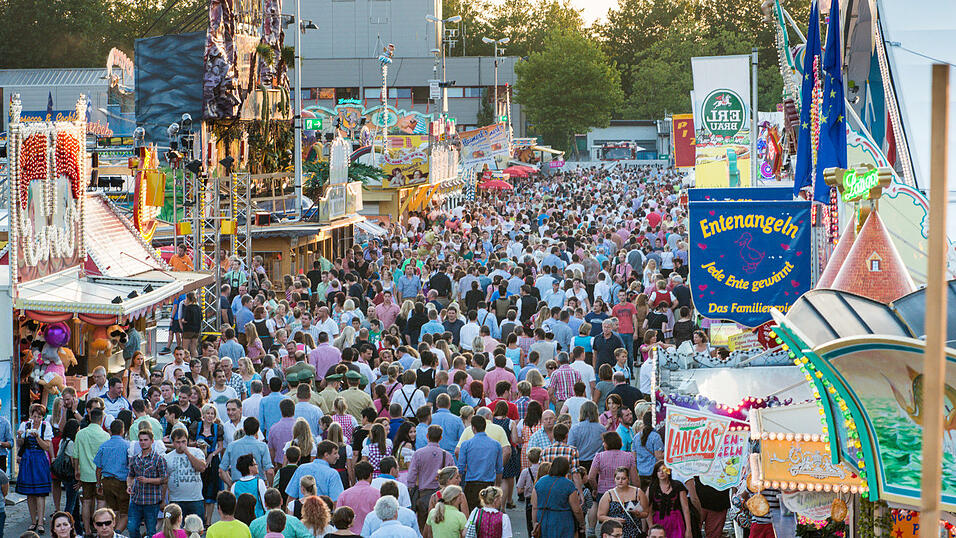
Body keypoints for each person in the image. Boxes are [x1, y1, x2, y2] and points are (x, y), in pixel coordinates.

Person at [127, 429, 169, 538]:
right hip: (136, 500)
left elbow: (164, 479)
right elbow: (130, 476)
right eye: (141, 440)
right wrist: (129, 485)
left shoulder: (159, 459)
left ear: (152, 441)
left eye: (145, 440)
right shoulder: (135, 459)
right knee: (131, 528)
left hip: (152, 501)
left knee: (151, 531)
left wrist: (148, 480)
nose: (143, 442)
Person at [18, 403, 53, 534]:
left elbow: (46, 447)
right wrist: (19, 436)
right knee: (30, 493)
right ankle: (33, 521)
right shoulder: (25, 425)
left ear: (42, 417)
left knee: (40, 492)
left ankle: (40, 523)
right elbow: (20, 444)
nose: (36, 419)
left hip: (39, 459)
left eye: (39, 416)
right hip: (27, 460)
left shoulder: (45, 427)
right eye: (34, 416)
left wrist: (37, 436)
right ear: (30, 416)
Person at [457, 416, 503, 512]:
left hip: (471, 484)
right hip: (488, 484)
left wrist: (458, 484)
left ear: (473, 428)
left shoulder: (466, 444)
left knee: (471, 513)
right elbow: (499, 468)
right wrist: (498, 485)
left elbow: (460, 467)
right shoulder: (496, 444)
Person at [94, 419, 131, 534]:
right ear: (122, 430)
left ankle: (112, 532)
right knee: (125, 513)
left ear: (110, 431)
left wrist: (98, 484)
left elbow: (98, 468)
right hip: (122, 483)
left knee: (114, 511)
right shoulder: (127, 445)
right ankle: (116, 534)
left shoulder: (104, 446)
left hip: (107, 482)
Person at [638, 462, 691, 538]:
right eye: (658, 471)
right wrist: (651, 527)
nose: (661, 473)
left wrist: (688, 529)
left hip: (676, 522)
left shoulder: (678, 486)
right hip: (658, 522)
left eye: (664, 470)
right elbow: (648, 509)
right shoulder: (652, 487)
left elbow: (685, 508)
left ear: (669, 471)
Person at [165, 429, 207, 522]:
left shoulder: (196, 452)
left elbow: (201, 468)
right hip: (176, 499)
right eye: (178, 442)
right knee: (176, 528)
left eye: (183, 441)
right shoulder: (167, 457)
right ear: (173, 443)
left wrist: (187, 453)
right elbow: (165, 480)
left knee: (196, 528)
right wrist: (164, 500)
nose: (181, 445)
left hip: (195, 499)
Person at [596, 467, 645, 538]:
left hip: (634, 531)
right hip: (615, 532)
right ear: (614, 479)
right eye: (618, 478)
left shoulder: (638, 492)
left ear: (628, 479)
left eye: (623, 478)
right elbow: (600, 516)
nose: (620, 481)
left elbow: (646, 513)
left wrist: (638, 514)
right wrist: (614, 519)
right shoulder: (608, 495)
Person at [335, 461, 380, 534]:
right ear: (370, 475)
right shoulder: (377, 494)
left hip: (348, 533)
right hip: (370, 533)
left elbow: (338, 516)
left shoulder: (344, 494)